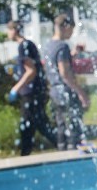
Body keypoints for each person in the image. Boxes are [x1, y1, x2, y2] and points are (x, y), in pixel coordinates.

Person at [6, 21, 56, 155]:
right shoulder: (28, 44)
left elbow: (31, 71)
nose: (7, 34)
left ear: (14, 30)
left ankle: (25, 153)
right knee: (39, 124)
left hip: (30, 93)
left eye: (9, 30)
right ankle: (63, 144)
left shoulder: (23, 46)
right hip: (36, 91)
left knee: (28, 125)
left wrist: (16, 88)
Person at [42, 13, 90, 150]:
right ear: (66, 27)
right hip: (65, 91)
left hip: (54, 91)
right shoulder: (62, 46)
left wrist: (73, 54)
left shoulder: (48, 45)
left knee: (61, 125)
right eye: (71, 30)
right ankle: (74, 152)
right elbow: (64, 73)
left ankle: (62, 151)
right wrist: (81, 93)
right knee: (74, 126)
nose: (72, 34)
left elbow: (54, 66)